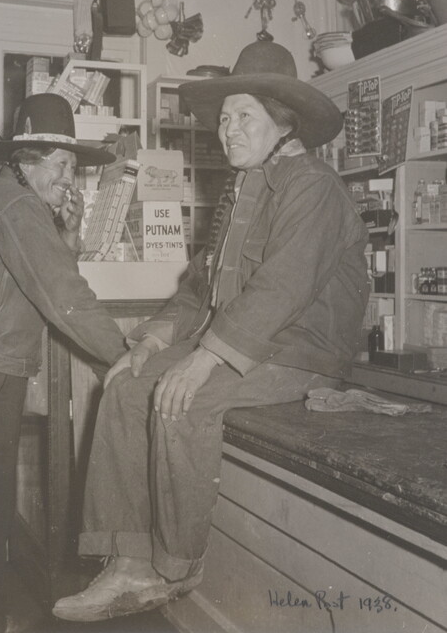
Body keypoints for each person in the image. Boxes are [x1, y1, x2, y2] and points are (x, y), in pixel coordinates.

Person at [52, 40, 370, 623]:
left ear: (283, 122)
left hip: (301, 352)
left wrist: (205, 361)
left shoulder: (313, 186)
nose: (227, 130)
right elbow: (199, 289)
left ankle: (173, 566)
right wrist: (150, 340)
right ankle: (126, 561)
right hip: (248, 343)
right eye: (224, 118)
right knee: (125, 384)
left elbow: (280, 290)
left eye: (243, 116)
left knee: (184, 398)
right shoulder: (242, 189)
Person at [0, 93, 128, 633]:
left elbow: (34, 278)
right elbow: (64, 297)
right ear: (27, 161)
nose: (71, 178)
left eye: (73, 167)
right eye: (62, 165)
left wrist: (67, 236)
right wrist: (129, 357)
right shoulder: (19, 207)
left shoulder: (9, 201)